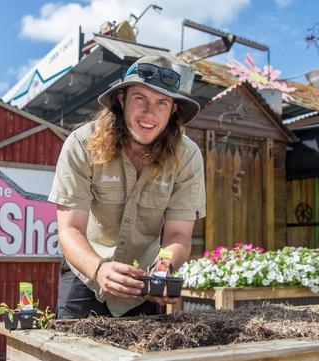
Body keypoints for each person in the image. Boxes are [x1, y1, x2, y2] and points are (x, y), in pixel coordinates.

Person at [48, 55, 206, 319]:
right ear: (121, 99)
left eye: (161, 103)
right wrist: (99, 269)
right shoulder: (81, 144)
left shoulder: (187, 156)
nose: (149, 113)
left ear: (173, 110)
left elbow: (178, 234)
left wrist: (162, 270)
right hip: (86, 275)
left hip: (143, 282)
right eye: (140, 98)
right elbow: (70, 230)